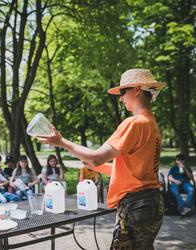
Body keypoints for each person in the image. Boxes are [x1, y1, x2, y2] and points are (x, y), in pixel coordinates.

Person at [38, 69, 166, 249]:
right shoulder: (152, 124)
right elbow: (128, 169)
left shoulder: (134, 123)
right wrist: (92, 163)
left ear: (137, 89)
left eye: (123, 92)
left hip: (136, 204)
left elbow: (96, 158)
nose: (121, 98)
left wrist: (62, 142)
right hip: (151, 202)